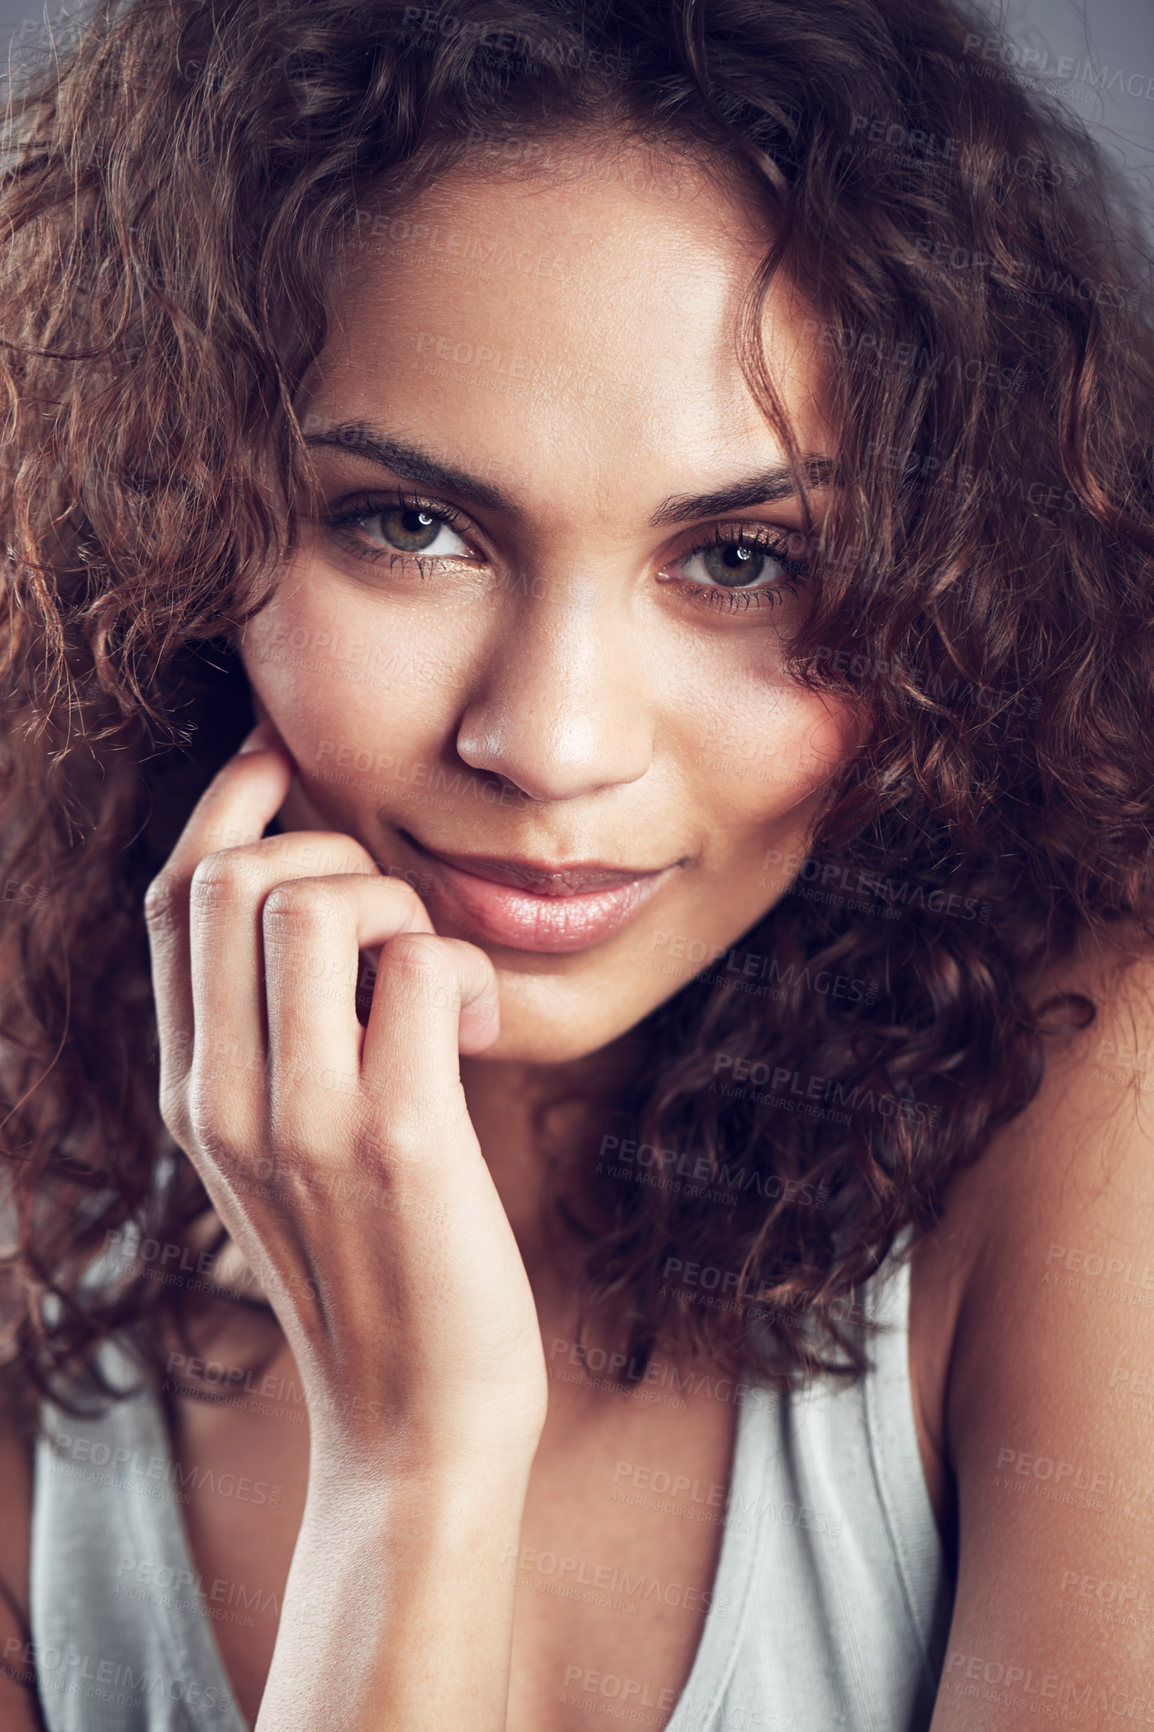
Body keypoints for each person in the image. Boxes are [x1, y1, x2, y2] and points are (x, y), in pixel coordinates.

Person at [0, 0, 1152, 1726]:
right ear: (168, 519)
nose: (548, 744)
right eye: (411, 527)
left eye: (744, 558)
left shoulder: (1090, 1102)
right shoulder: (28, 1232)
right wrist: (415, 1473)